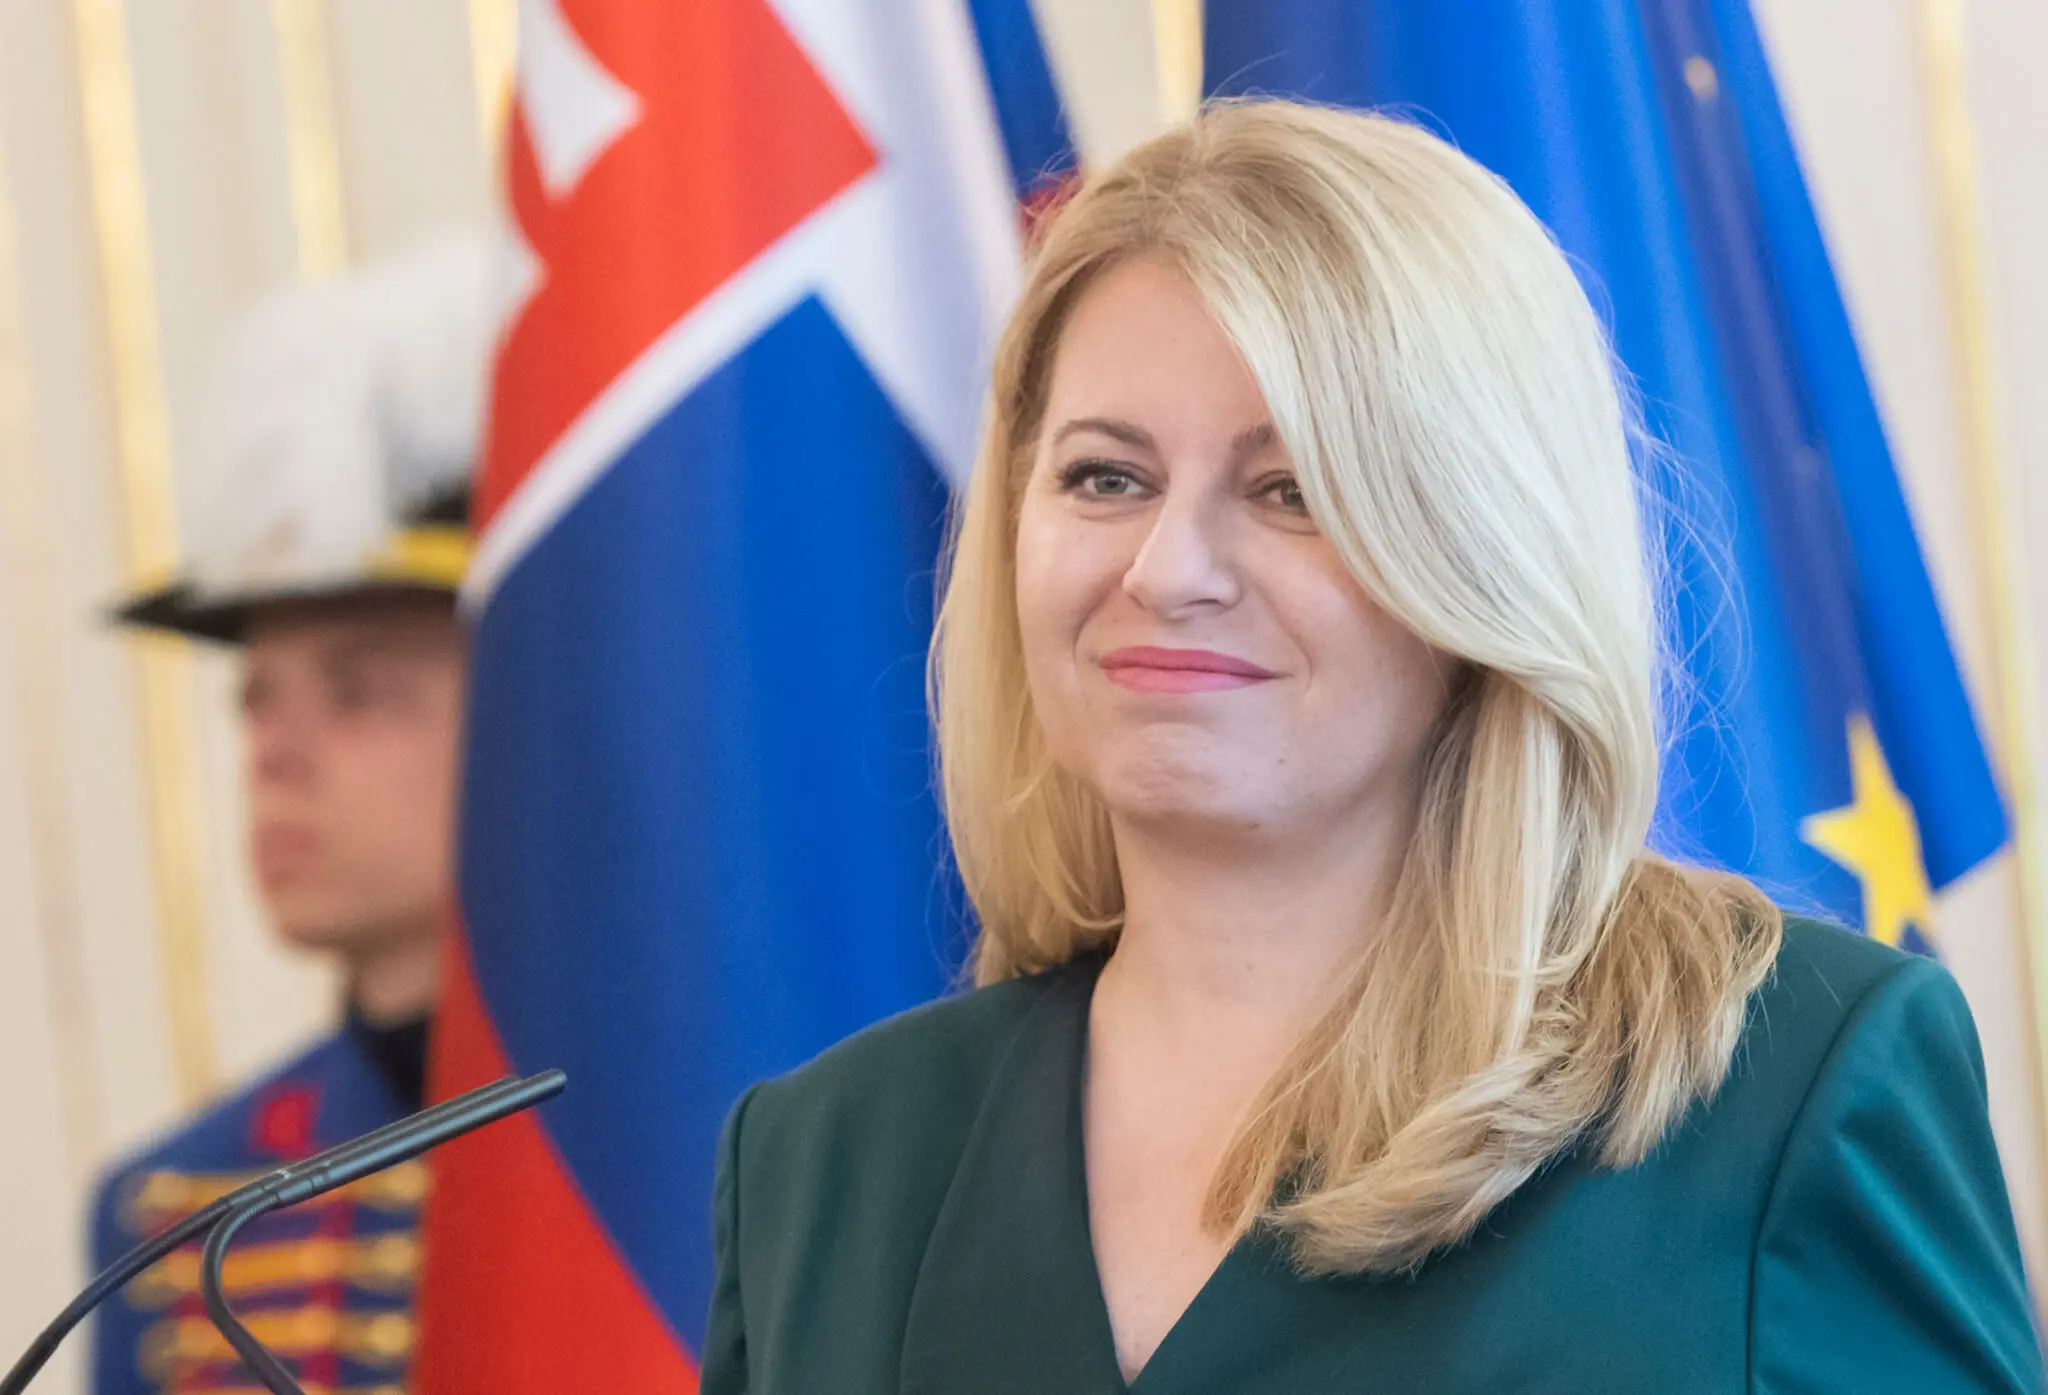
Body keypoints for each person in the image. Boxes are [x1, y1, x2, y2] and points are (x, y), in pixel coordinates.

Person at [700, 101, 2041, 1393]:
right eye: (1106, 476)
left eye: (1292, 489)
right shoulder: (820, 1163)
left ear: (1483, 553)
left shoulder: (1791, 1090)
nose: (1165, 571)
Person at [88, 234, 496, 1395]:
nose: (274, 753)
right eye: (257, 699)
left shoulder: (716, 1136)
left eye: (361, 693)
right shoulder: (172, 1206)